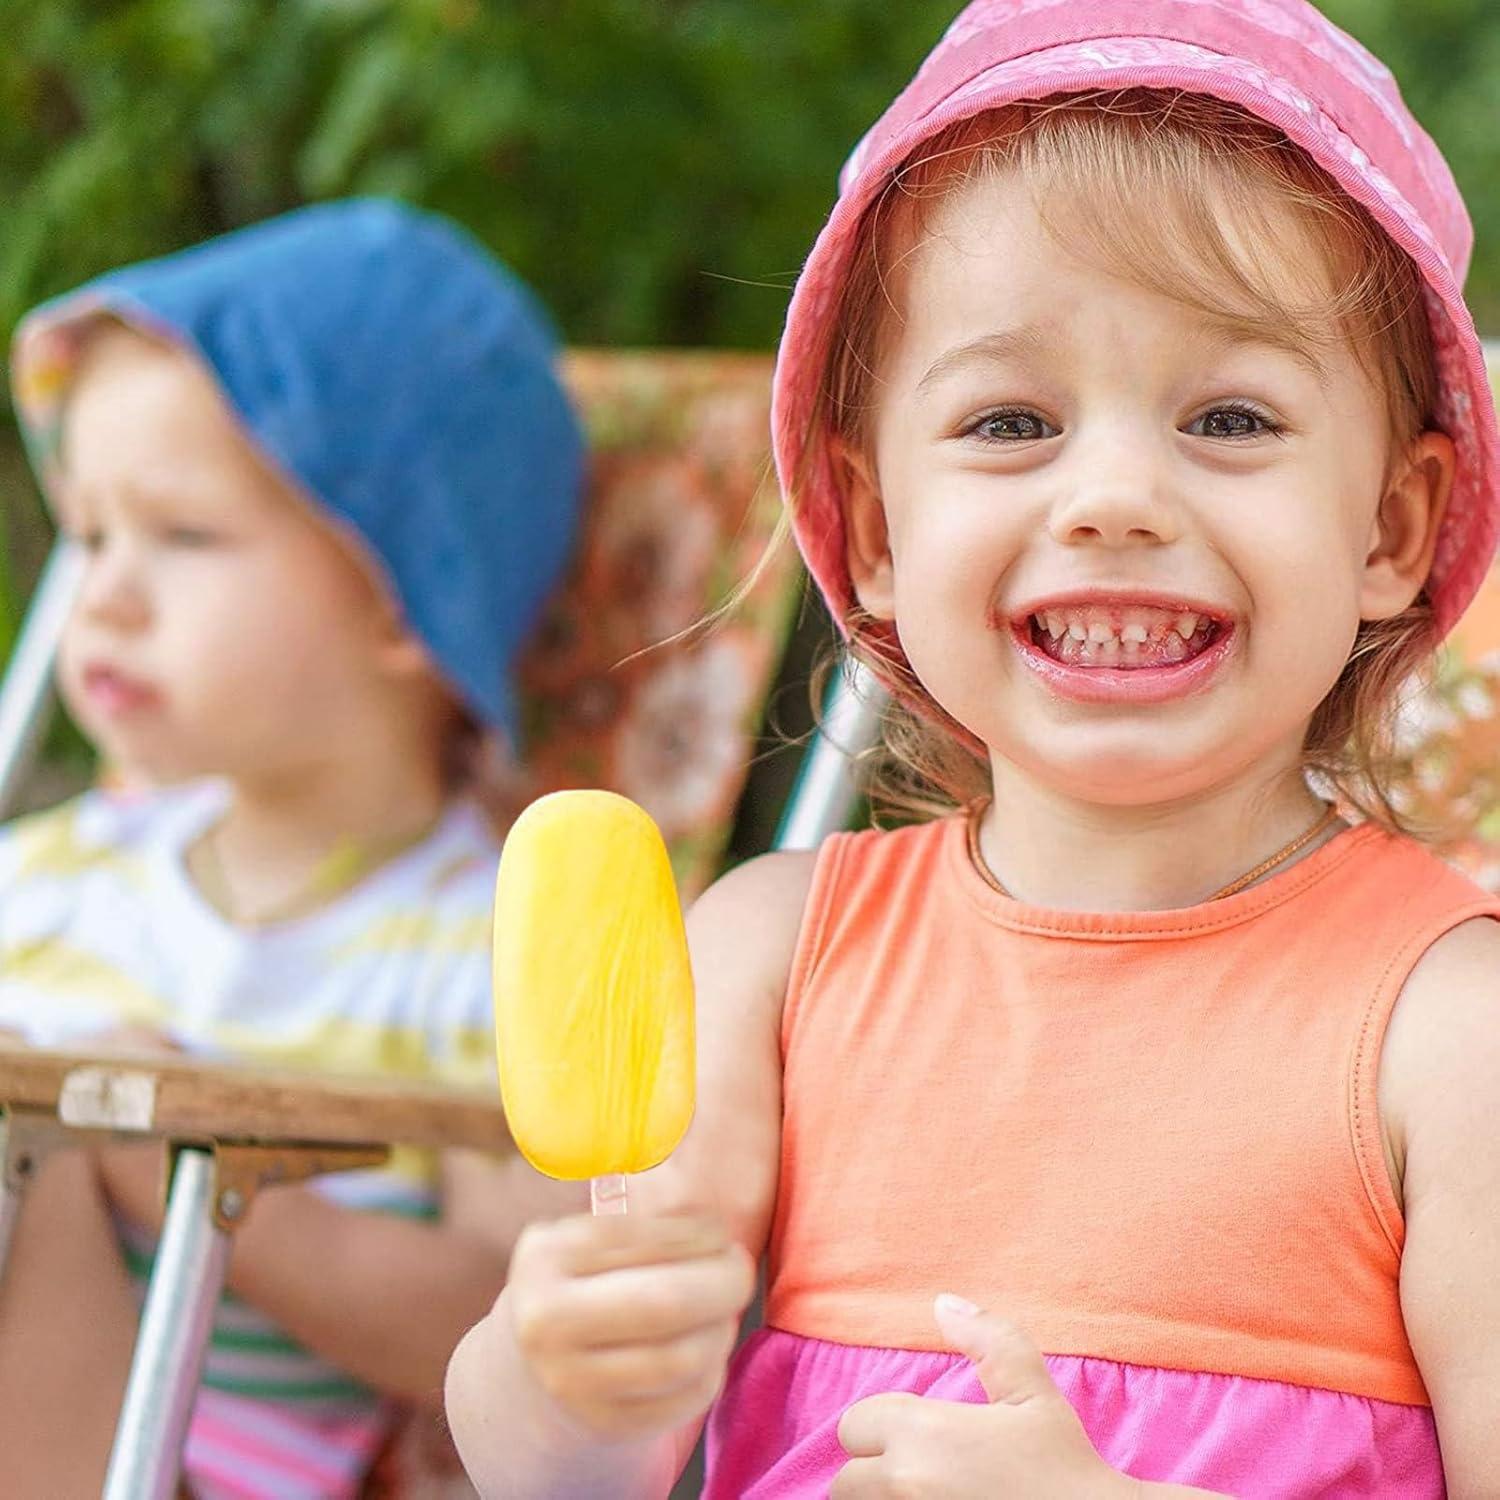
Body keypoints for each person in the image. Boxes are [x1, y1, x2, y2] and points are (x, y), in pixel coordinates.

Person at [443, 2, 1500, 1496]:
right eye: (1011, 420)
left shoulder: (1453, 1038)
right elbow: (565, 1476)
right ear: (875, 533)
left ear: (1390, 527)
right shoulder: (770, 962)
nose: (1115, 496)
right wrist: (556, 1381)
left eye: (1231, 416)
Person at [0, 198, 588, 1498]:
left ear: (395, 595)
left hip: (191, 1459)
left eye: (181, 536)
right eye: (92, 534)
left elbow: (516, 1340)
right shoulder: (43, 882)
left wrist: (172, 1165)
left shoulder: (496, 948)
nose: (97, 595)